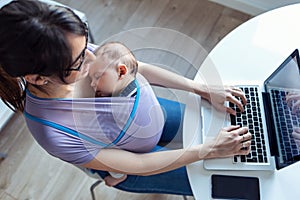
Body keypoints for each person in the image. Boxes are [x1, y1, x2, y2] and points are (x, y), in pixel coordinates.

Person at [0, 0, 251, 196]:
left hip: (151, 113)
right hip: (136, 163)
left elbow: (135, 67)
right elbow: (138, 164)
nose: (91, 58)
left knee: (233, 129)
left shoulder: (73, 50)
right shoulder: (51, 130)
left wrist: (201, 89)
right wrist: (207, 150)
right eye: (79, 62)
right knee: (226, 183)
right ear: (37, 78)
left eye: (87, 45)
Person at [89, 42, 166, 186]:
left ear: (121, 72)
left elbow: (109, 143)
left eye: (98, 77)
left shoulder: (115, 112)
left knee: (107, 148)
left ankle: (119, 176)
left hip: (140, 149)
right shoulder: (137, 81)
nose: (92, 84)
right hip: (159, 121)